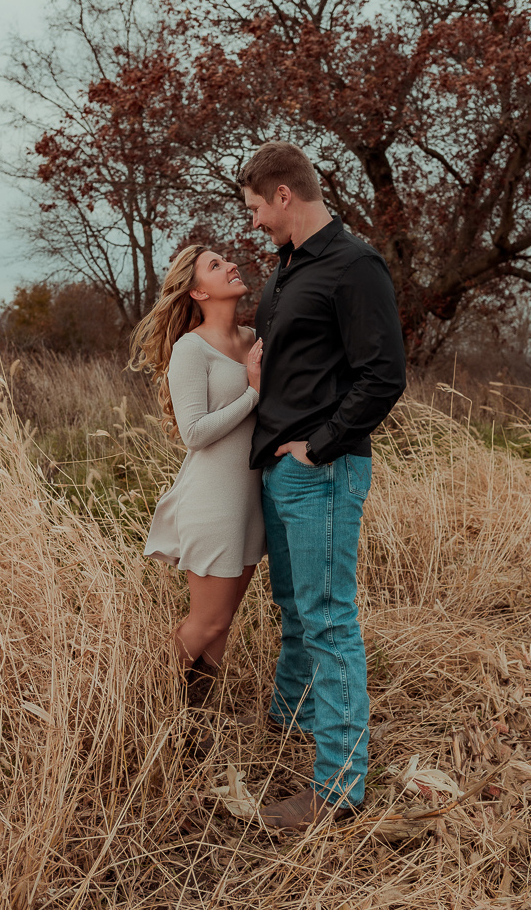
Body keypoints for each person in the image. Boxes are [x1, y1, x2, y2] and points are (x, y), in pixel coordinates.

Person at [238, 141, 407, 831]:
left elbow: (384, 375)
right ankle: (292, 730)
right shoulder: (286, 269)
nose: (252, 224)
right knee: (296, 613)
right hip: (282, 470)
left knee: (330, 622)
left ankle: (338, 791)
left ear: (284, 195)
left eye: (254, 209)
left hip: (323, 474)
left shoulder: (353, 265)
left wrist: (322, 447)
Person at [133, 245, 266, 705]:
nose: (230, 265)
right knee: (205, 622)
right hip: (212, 502)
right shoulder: (191, 349)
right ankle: (135, 708)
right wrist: (251, 394)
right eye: (215, 265)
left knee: (222, 625)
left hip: (251, 503)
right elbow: (193, 432)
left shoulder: (255, 340)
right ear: (197, 291)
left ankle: (193, 726)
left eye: (226, 260)